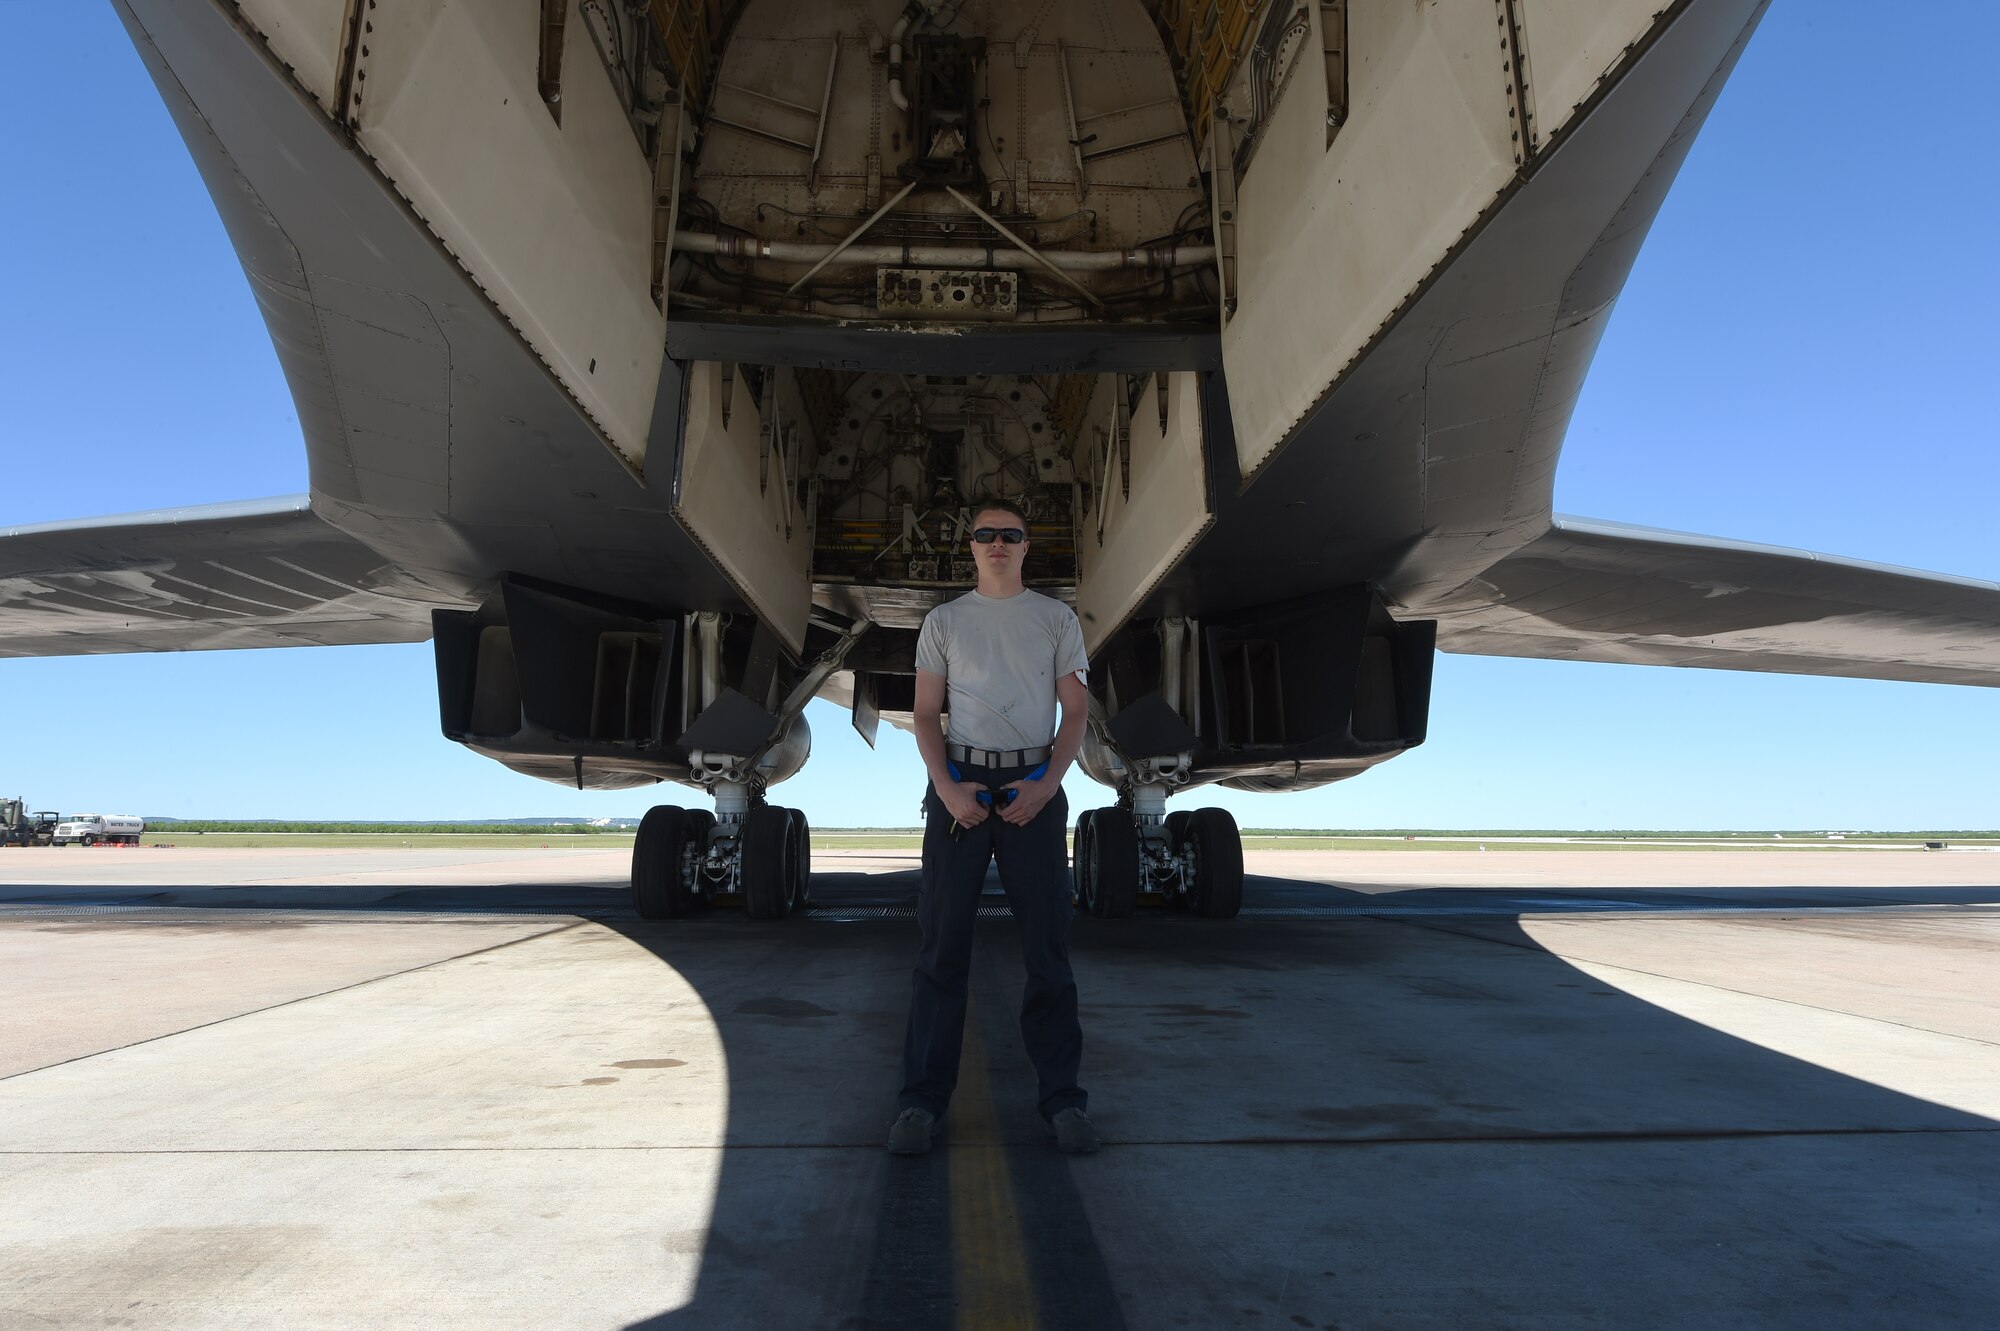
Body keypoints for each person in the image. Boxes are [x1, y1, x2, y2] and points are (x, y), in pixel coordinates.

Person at [888, 496, 1100, 1156]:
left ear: (1026, 546)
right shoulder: (945, 622)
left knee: (1048, 952)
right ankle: (921, 1102)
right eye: (986, 534)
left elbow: (1074, 713)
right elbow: (926, 714)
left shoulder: (1055, 618)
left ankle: (1064, 1101)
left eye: (1011, 534)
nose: (998, 543)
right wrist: (947, 789)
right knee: (940, 952)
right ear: (972, 546)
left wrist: (1048, 786)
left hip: (1033, 791)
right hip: (962, 794)